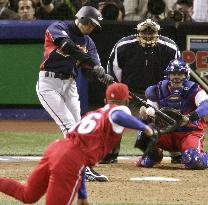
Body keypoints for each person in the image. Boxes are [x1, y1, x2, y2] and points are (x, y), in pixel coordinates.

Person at [0, 83, 156, 205]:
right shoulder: (120, 110)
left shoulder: (92, 114)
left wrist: (82, 194)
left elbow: (79, 161)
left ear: (104, 101)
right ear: (127, 100)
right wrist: (143, 127)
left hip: (56, 149)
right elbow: (117, 115)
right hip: (70, 157)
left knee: (28, 194)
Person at [36, 5, 112, 182]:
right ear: (82, 18)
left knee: (80, 127)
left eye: (94, 27)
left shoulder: (88, 42)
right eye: (90, 24)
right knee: (69, 125)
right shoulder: (59, 27)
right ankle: (79, 168)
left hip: (70, 84)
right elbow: (67, 46)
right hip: (48, 84)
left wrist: (101, 74)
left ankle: (78, 166)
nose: (91, 29)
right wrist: (91, 64)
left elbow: (93, 67)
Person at [103, 18, 180, 164]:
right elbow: (113, 71)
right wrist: (122, 92)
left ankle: (176, 152)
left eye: (152, 32)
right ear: (138, 32)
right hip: (130, 92)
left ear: (158, 32)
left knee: (172, 114)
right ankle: (110, 153)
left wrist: (166, 93)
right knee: (115, 113)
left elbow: (176, 72)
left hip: (158, 92)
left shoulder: (169, 47)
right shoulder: (123, 45)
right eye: (145, 32)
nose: (148, 35)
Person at [135, 57, 208, 169]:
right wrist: (144, 116)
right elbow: (150, 117)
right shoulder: (157, 90)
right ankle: (153, 156)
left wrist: (189, 117)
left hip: (189, 133)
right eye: (173, 73)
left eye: (180, 74)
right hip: (166, 133)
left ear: (186, 75)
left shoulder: (193, 89)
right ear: (168, 75)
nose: (176, 77)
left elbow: (207, 104)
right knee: (143, 132)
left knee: (194, 161)